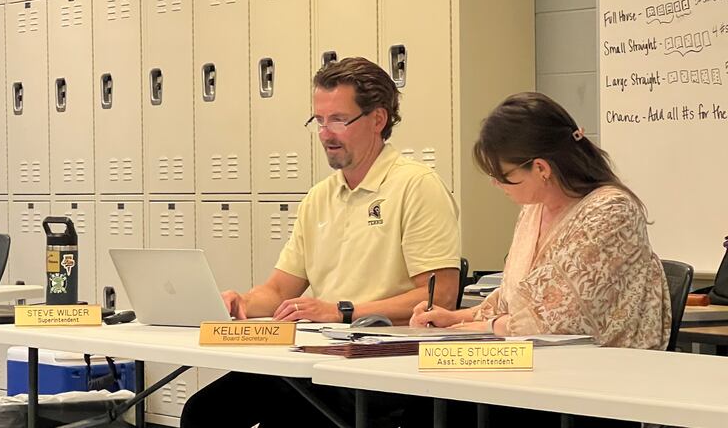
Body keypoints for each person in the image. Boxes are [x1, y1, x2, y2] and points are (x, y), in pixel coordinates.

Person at [180, 57, 461, 427]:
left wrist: (341, 310)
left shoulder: (415, 186)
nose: (327, 133)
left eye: (339, 120)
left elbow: (437, 296)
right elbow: (281, 287)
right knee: (205, 412)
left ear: (378, 120)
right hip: (317, 354)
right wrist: (242, 302)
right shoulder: (320, 196)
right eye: (319, 121)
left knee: (291, 417)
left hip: (383, 363)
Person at [410, 92, 672, 427]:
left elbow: (555, 323)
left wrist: (476, 328)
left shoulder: (611, 211)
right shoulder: (534, 210)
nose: (496, 184)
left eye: (504, 176)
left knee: (445, 404)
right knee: (428, 396)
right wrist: (453, 318)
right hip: (536, 377)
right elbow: (515, 300)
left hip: (592, 391)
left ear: (541, 168)